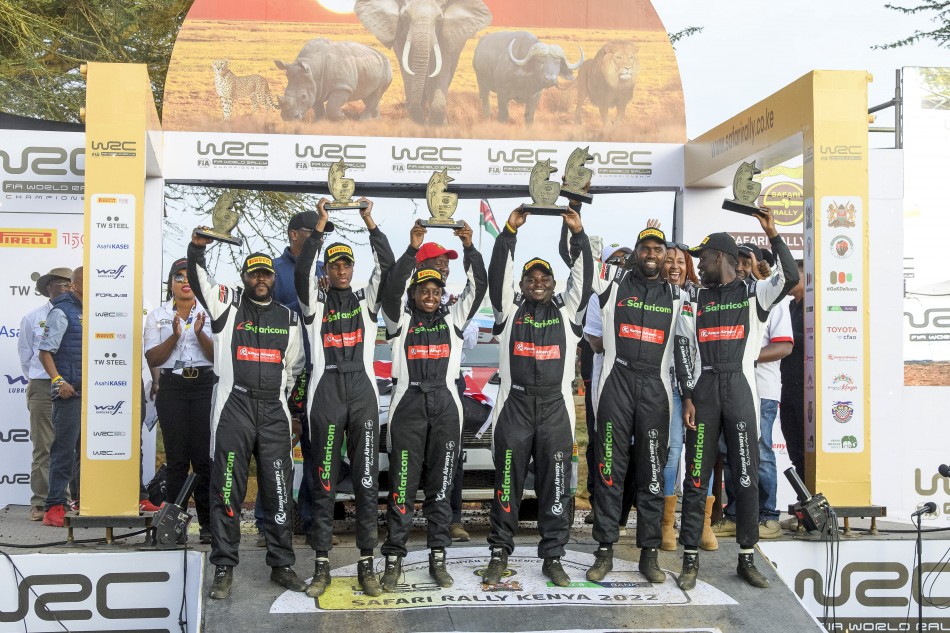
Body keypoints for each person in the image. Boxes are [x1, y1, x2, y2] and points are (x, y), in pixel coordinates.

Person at [675, 208, 799, 591]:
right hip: (705, 392)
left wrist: (773, 233)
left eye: (703, 259)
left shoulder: (753, 294)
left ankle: (747, 557)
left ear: (721, 258)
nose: (699, 265)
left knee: (745, 478)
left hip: (742, 391)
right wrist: (688, 396)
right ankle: (690, 559)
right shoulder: (695, 298)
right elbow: (683, 349)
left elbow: (791, 277)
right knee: (697, 479)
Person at [187, 233, 307, 600]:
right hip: (233, 407)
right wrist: (197, 248)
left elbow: (294, 367)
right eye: (253, 274)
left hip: (273, 410)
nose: (260, 279)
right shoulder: (227, 304)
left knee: (279, 491)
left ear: (273, 278)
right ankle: (223, 567)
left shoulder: (289, 317)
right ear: (244, 277)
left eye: (265, 274)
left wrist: (285, 404)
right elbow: (198, 279)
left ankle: (282, 564)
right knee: (227, 490)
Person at [482, 206, 592, 588]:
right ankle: (499, 554)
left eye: (545, 277)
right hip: (514, 407)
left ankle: (554, 557)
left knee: (555, 486)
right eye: (532, 277)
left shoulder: (569, 312)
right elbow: (499, 273)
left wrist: (578, 235)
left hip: (555, 409)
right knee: (507, 484)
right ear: (523, 283)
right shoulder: (508, 310)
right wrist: (509, 232)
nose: (539, 282)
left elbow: (584, 277)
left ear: (554, 283)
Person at [377, 220, 487, 590]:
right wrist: (412, 250)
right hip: (408, 407)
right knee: (403, 488)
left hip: (446, 408)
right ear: (413, 292)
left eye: (435, 289)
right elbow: (392, 288)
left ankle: (438, 558)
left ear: (442, 294)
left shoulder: (454, 318)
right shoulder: (400, 320)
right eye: (423, 289)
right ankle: (394, 559)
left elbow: (479, 285)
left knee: (440, 489)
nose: (429, 294)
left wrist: (470, 248)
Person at [294, 197, 394, 599]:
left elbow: (387, 265)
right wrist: (320, 226)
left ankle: (367, 563)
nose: (340, 270)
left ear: (352, 269)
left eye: (346, 265)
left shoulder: (367, 302)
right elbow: (303, 270)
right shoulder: (314, 305)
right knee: (324, 482)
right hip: (326, 392)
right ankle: (321, 565)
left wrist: (370, 222)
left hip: (361, 392)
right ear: (327, 269)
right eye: (334, 265)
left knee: (367, 481)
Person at [584, 227, 696, 584]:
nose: (651, 254)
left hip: (656, 388)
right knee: (609, 469)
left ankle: (649, 554)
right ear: (636, 252)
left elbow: (684, 349)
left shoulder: (678, 296)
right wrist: (578, 226)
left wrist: (689, 395)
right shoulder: (613, 282)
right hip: (616, 383)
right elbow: (583, 260)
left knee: (652, 473)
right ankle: (604, 550)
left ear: (665, 256)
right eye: (645, 248)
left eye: (657, 249)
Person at [713, 243, 793, 541]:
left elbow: (784, 346)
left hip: (761, 389)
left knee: (760, 451)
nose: (741, 267)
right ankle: (735, 515)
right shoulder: (727, 298)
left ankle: (768, 516)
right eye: (737, 261)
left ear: (760, 266)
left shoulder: (773, 298)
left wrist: (744, 356)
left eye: (747, 262)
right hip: (730, 388)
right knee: (729, 451)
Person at [413, 239, 481, 542]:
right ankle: (406, 518)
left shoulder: (453, 302)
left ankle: (452, 519)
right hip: (413, 384)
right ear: (421, 266)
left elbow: (471, 339)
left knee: (452, 455)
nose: (444, 267)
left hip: (450, 383)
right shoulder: (406, 302)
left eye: (446, 263)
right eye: (438, 261)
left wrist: (453, 311)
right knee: (412, 455)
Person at [144, 258, 215, 544]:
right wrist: (174, 337)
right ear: (171, 283)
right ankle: (174, 527)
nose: (185, 282)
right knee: (176, 460)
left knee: (203, 460)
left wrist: (198, 334)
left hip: (205, 386)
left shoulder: (212, 313)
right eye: (179, 277)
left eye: (190, 277)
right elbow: (153, 358)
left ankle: (209, 526)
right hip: (172, 387)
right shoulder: (157, 315)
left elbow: (217, 357)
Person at [658, 243, 719, 552]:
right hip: (667, 387)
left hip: (700, 388)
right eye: (668, 260)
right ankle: (666, 525)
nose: (674, 266)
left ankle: (701, 524)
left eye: (680, 261)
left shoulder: (701, 297)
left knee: (701, 456)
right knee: (671, 454)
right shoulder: (653, 296)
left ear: (689, 267)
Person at [19, 267, 73, 521]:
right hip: (43, 385)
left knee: (70, 444)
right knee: (43, 445)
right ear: (47, 288)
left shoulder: (81, 314)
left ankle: (67, 500)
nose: (64, 288)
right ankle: (41, 502)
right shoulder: (33, 317)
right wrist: (45, 378)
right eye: (59, 284)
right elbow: (26, 355)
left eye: (68, 284)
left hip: (73, 385)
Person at [37, 267, 83, 527]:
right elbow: (45, 352)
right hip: (70, 392)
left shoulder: (98, 311)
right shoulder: (62, 311)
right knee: (63, 450)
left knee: (86, 453)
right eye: (87, 282)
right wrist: (58, 381)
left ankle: (80, 501)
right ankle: (54, 505)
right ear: (74, 285)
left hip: (96, 393)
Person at [780, 260, 806, 500]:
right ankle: (804, 500)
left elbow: (813, 338)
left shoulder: (815, 306)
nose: (786, 281)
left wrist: (785, 337)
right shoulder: (789, 306)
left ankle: (812, 500)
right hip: (786, 382)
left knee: (806, 447)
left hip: (807, 386)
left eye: (792, 276)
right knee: (793, 445)